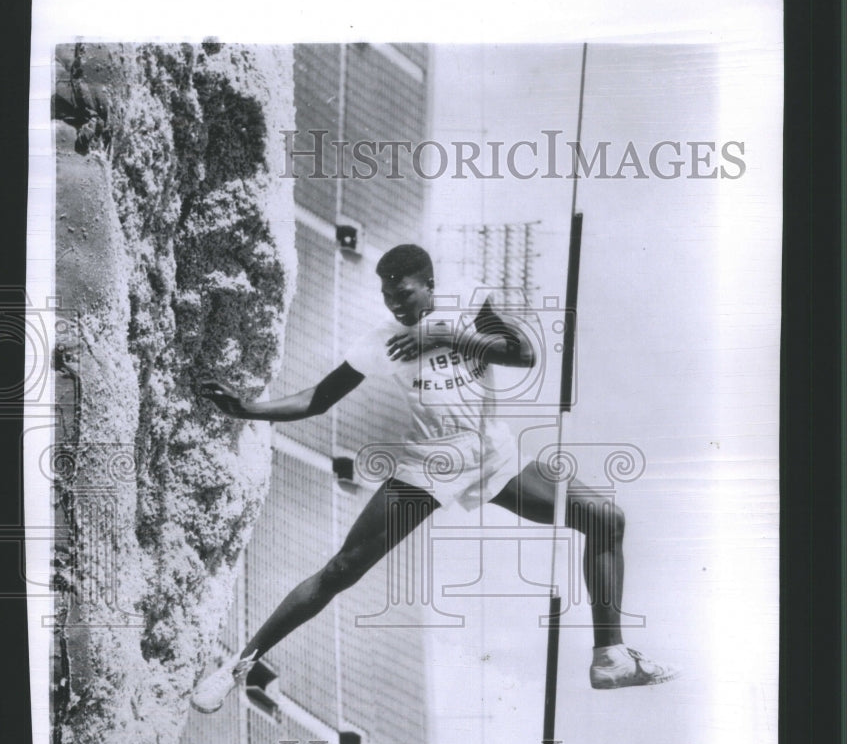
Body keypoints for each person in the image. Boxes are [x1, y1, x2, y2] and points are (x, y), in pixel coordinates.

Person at [190, 244, 678, 713]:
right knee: (342, 569)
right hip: (429, 467)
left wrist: (444, 338)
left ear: (429, 285)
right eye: (386, 295)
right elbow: (318, 398)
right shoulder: (382, 342)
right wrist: (247, 409)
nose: (394, 305)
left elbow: (522, 353)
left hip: (493, 459)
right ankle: (238, 665)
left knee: (605, 517)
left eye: (403, 293)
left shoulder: (468, 300)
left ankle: (610, 657)